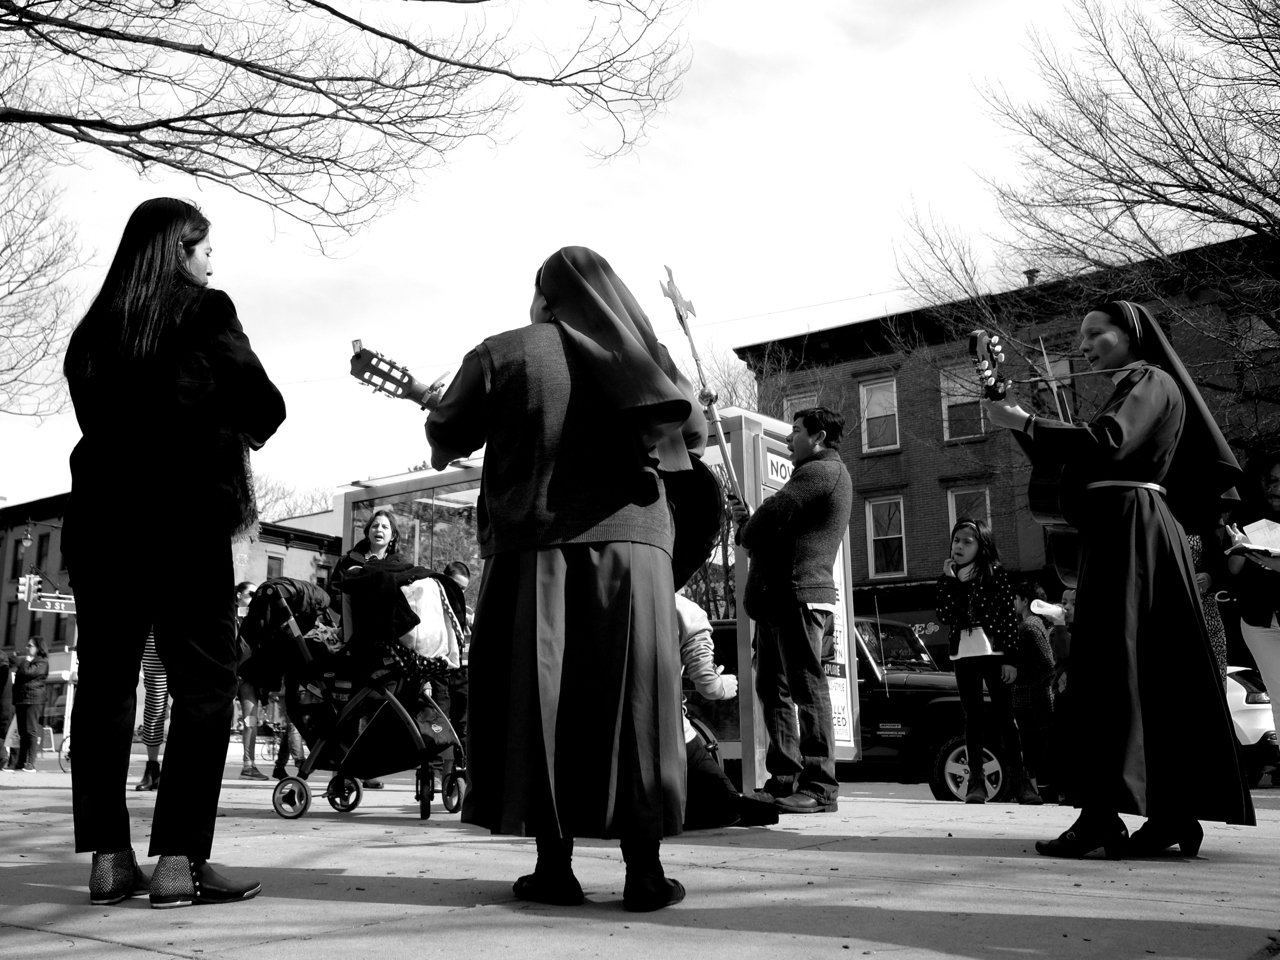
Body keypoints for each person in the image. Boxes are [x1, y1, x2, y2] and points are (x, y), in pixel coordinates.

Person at [426, 245, 707, 912]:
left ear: (545, 298)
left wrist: (444, 410)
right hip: (636, 554)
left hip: (535, 551)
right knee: (636, 707)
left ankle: (555, 869)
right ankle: (644, 874)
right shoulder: (647, 354)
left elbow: (447, 433)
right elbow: (688, 434)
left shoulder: (503, 351)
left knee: (541, 703)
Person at [62, 198, 284, 907]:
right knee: (204, 685)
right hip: (184, 522)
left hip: (102, 526)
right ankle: (179, 862)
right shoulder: (205, 312)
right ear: (179, 250)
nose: (212, 260)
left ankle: (109, 859)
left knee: (104, 687)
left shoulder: (93, 330)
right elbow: (266, 409)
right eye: (205, 247)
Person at [984, 299, 1253, 858]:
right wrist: (1018, 420)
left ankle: (1104, 817)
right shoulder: (1135, 385)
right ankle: (1172, 813)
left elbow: (1108, 442)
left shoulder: (1151, 381)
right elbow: (1079, 458)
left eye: (1094, 333)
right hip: (1128, 534)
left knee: (1110, 671)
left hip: (1133, 535)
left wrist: (1029, 421)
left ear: (1130, 334)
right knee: (1148, 673)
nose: (1082, 345)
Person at [727, 406, 852, 815]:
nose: (788, 439)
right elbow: (769, 531)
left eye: (795, 431)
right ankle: (784, 780)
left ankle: (819, 786)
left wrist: (748, 528)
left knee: (805, 687)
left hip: (798, 597)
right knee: (773, 689)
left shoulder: (821, 472)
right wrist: (749, 527)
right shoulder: (814, 477)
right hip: (778, 601)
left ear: (817, 437)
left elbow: (772, 516)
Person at [934, 520, 1037, 805]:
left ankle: (1021, 780)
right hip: (963, 653)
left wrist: (1010, 659)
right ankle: (975, 781)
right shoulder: (947, 578)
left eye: (968, 541)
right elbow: (945, 615)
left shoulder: (995, 574)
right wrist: (952, 580)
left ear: (981, 546)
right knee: (973, 717)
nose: (959, 546)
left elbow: (1006, 618)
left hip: (993, 651)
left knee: (1005, 715)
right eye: (956, 540)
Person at [1226, 452, 1280, 736]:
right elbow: (1232, 570)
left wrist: (1267, 560)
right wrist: (1242, 550)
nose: (1277, 489)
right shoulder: (1249, 516)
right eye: (1272, 481)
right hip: (1259, 620)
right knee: (1279, 698)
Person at [1012, 582, 1058, 803]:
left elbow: (1047, 663)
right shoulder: (1039, 624)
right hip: (1038, 695)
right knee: (1041, 747)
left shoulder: (1028, 627)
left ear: (1025, 601)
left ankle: (1042, 792)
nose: (1013, 602)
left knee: (1035, 748)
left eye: (1016, 598)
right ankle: (1045, 791)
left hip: (1032, 698)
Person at [233, 581, 269, 781]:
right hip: (227, 675)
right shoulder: (229, 617)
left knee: (251, 720)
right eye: (251, 593)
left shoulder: (254, 618)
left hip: (246, 676)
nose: (255, 598)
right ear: (238, 594)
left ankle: (249, 765)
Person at [135, 631, 167, 791]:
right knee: (155, 707)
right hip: (153, 634)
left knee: (189, 704)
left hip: (186, 629)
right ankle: (152, 768)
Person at [13, 636, 50, 771]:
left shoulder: (41, 662)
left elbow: (28, 673)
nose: (27, 648)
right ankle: (20, 762)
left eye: (30, 645)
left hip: (34, 699)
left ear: (38, 647)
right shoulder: (28, 662)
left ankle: (31, 763)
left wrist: (26, 662)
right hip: (22, 699)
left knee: (31, 731)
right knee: (22, 732)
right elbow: (20, 677)